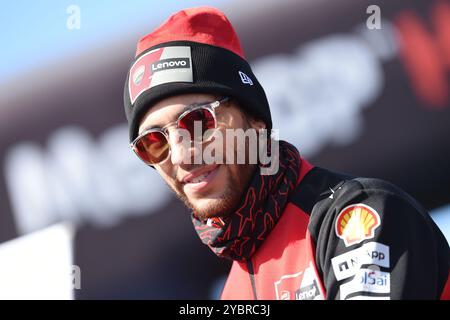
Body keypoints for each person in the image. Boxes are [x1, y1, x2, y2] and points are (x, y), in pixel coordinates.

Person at [123, 6, 450, 300]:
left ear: (254, 119)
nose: (181, 155)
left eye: (197, 120)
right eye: (153, 143)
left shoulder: (357, 217)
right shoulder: (232, 294)